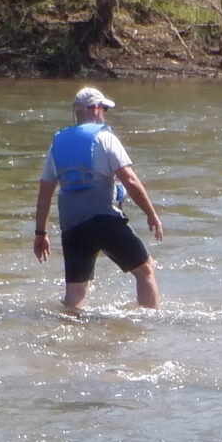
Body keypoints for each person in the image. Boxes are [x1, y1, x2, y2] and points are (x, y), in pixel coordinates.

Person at [33, 86, 164, 311]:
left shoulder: (58, 143)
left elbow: (45, 190)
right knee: (145, 271)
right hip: (105, 221)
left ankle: (69, 336)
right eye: (103, 108)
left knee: (75, 294)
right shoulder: (105, 138)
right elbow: (129, 179)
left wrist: (40, 233)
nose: (103, 113)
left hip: (73, 227)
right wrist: (151, 214)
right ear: (93, 109)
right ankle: (150, 326)